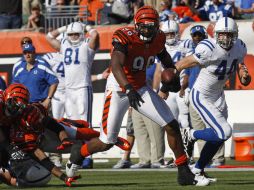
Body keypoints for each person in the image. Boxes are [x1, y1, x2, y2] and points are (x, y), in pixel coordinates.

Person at [71, 6, 210, 186]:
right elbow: (116, 65)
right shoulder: (124, 36)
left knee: (171, 125)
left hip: (141, 87)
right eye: (144, 26)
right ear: (137, 25)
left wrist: (172, 77)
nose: (147, 30)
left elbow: (166, 59)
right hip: (118, 88)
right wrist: (128, 89)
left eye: (151, 26)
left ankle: (184, 173)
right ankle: (77, 154)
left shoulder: (159, 38)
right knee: (107, 141)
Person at [174, 17, 251, 180]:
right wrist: (170, 78)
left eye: (229, 35)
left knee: (217, 138)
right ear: (216, 35)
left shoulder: (240, 48)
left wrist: (244, 76)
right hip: (201, 95)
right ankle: (191, 134)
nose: (225, 38)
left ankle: (197, 170)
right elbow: (183, 63)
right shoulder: (208, 47)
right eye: (222, 34)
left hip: (218, 95)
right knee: (224, 131)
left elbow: (242, 74)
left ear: (235, 35)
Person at [0, 84, 80, 187]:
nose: (16, 109)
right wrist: (10, 149)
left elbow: (54, 127)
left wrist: (64, 177)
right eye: (14, 103)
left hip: (25, 138)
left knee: (33, 174)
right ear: (7, 97)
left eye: (20, 107)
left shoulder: (30, 117)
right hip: (7, 137)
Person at [46, 22, 100, 169]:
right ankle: (76, 156)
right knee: (72, 127)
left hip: (83, 88)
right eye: (71, 34)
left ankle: (88, 157)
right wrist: (66, 27)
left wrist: (86, 26)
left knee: (85, 124)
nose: (73, 37)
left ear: (82, 34)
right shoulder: (65, 45)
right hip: (69, 91)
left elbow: (95, 35)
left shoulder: (87, 45)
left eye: (76, 34)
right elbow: (49, 36)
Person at [180, 25, 225, 167]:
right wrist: (183, 88)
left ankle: (218, 157)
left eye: (200, 35)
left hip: (211, 93)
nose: (197, 37)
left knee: (217, 125)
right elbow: (187, 74)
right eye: (195, 35)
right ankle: (204, 159)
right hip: (195, 93)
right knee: (199, 125)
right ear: (192, 37)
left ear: (205, 36)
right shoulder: (192, 53)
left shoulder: (213, 49)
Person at [12, 43, 59, 110]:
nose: (27, 55)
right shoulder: (19, 70)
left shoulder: (42, 67)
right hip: (24, 106)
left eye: (29, 52)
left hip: (40, 105)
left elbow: (54, 82)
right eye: (25, 53)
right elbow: (14, 86)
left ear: (34, 53)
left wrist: (48, 99)